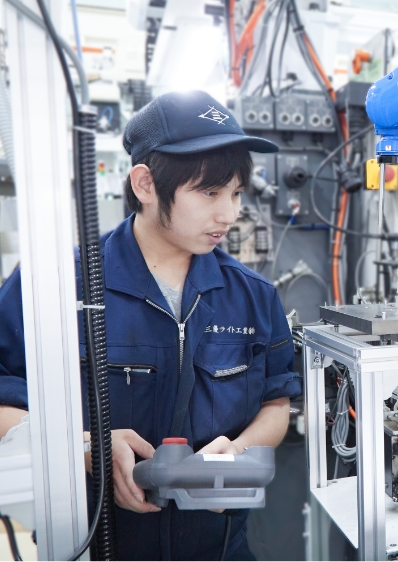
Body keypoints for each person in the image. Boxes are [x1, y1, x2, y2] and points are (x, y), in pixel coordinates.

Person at [0, 90, 302, 560]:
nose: (229, 213)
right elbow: (3, 403)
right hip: (94, 542)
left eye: (236, 193)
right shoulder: (54, 286)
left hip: (219, 547)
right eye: (209, 192)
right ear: (144, 183)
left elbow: (276, 403)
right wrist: (87, 446)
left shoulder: (251, 295)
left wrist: (238, 452)